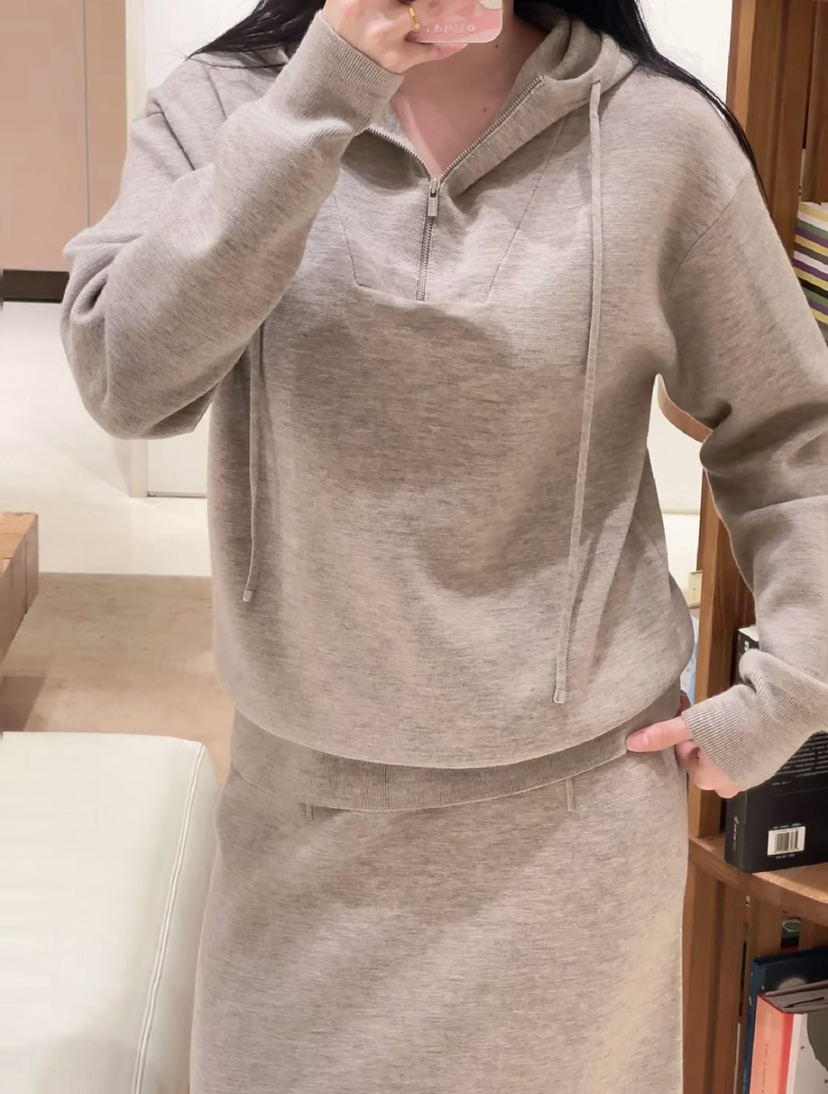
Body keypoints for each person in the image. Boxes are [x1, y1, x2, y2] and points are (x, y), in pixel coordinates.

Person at [61, 0, 828, 1089]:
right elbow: (126, 379)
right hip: (307, 823)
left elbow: (796, 434)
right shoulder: (226, 106)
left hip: (574, 834)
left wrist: (791, 691)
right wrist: (323, 93)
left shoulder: (658, 135)